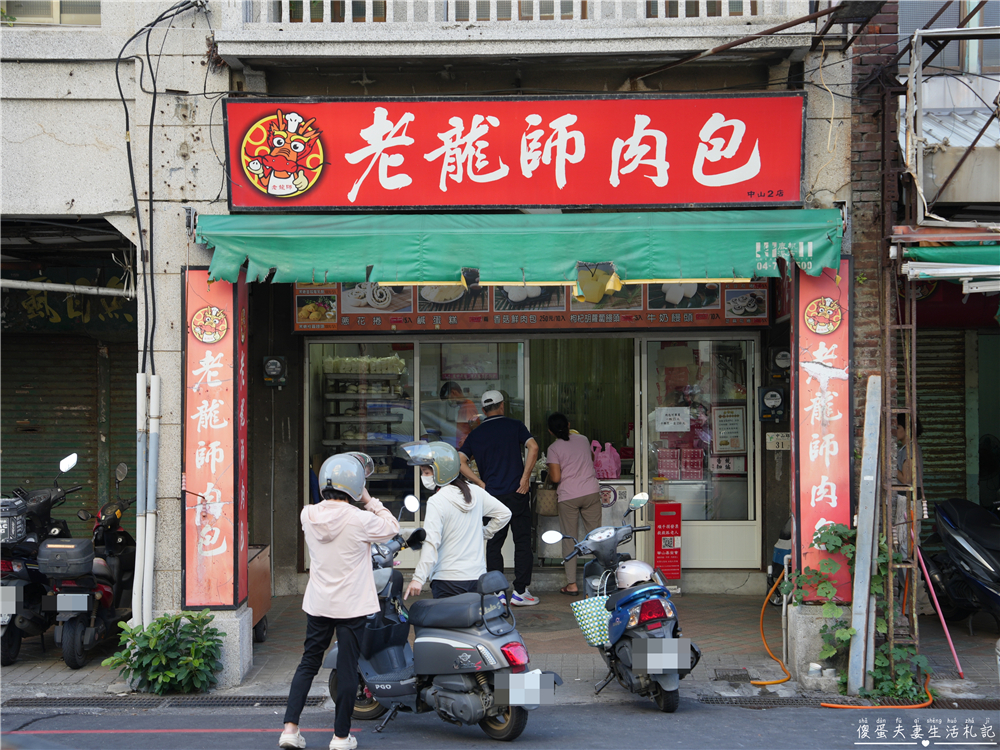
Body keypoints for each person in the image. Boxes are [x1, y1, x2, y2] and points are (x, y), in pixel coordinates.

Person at [280, 455, 400, 750]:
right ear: (355, 485)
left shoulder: (307, 514)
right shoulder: (360, 519)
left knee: (308, 662)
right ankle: (341, 737)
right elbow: (392, 527)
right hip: (352, 605)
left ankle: (290, 729)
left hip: (319, 602)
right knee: (348, 667)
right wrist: (368, 499)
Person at [459, 390, 540, 606]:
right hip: (517, 493)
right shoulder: (515, 426)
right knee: (522, 542)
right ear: (502, 405)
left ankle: (498, 593)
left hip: (492, 497)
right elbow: (533, 447)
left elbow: (460, 461)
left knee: (494, 544)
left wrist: (480, 483)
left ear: (483, 410)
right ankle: (520, 592)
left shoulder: (476, 434)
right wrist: (525, 478)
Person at [400, 441, 511, 600]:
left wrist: (418, 578)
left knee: (446, 617)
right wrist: (484, 533)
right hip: (477, 578)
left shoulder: (437, 501)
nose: (423, 476)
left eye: (426, 472)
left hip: (447, 580)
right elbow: (504, 513)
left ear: (441, 471)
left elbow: (431, 542)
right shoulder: (476, 492)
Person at [545, 413, 601, 596]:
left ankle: (572, 585)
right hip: (590, 492)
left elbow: (555, 478)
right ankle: (601, 579)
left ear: (550, 431)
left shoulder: (553, 449)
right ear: (569, 425)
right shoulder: (583, 439)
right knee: (597, 537)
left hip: (569, 496)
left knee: (570, 539)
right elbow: (590, 459)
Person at [440, 381, 481, 450]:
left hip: (467, 450)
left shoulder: (468, 406)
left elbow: (474, 431)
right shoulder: (462, 407)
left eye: (448, 398)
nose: (450, 401)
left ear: (453, 392)